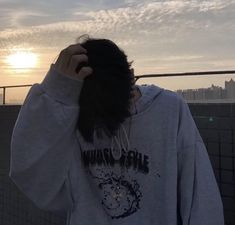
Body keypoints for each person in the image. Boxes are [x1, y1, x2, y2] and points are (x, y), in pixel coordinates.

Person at [9, 36, 225, 225]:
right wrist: (57, 93)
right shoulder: (74, 114)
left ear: (131, 77)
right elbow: (32, 177)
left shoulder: (169, 109)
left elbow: (200, 195)